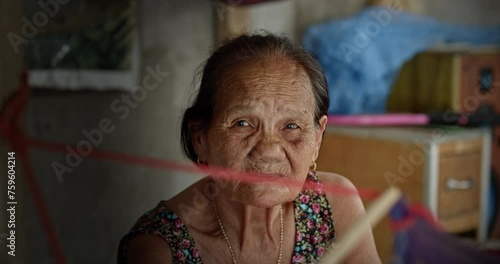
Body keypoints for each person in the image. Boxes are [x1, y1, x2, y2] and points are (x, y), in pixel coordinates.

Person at [117, 33, 380, 263]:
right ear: (200, 138)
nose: (269, 149)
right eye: (242, 123)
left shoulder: (337, 206)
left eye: (291, 126)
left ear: (317, 140)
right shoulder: (159, 248)